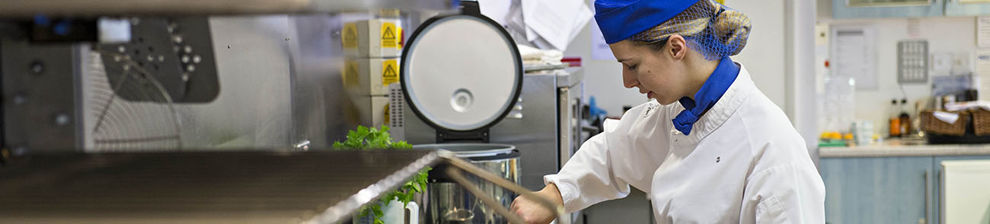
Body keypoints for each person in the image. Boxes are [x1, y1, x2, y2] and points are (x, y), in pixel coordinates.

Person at [509, 0, 826, 223]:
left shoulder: (773, 154)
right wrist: (552, 198)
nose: (627, 81)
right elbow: (612, 150)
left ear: (676, 48)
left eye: (632, 65)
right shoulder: (680, 112)